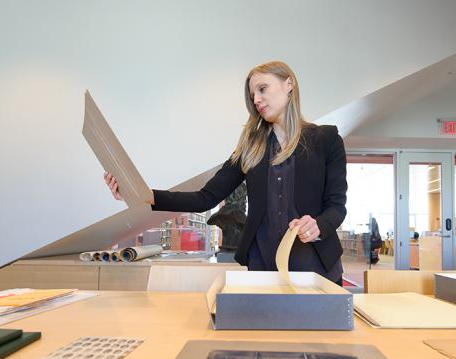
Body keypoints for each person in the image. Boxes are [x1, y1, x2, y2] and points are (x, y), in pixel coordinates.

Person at [104, 61, 347, 284]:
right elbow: (205, 198)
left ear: (289, 84)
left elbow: (336, 206)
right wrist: (144, 195)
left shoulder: (326, 139)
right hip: (263, 267)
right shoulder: (250, 149)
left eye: (263, 89)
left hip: (316, 267)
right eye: (253, 96)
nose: (257, 100)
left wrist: (318, 225)